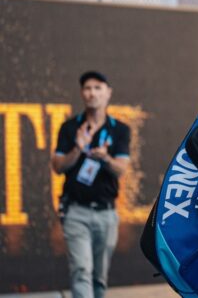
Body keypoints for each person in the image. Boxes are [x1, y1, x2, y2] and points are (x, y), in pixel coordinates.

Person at [51, 71, 130, 298]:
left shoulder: (119, 129)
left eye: (97, 88)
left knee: (98, 278)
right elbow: (57, 166)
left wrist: (104, 158)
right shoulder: (70, 128)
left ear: (108, 93)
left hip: (106, 213)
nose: (92, 93)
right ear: (82, 94)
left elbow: (122, 168)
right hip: (76, 211)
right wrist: (78, 148)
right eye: (87, 88)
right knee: (81, 270)